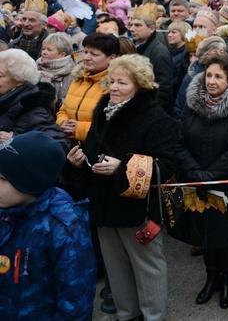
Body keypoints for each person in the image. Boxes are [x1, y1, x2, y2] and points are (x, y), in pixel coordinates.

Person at [65, 54, 177, 321]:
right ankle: (127, 315)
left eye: (122, 83)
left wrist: (123, 166)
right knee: (115, 268)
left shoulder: (155, 117)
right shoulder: (103, 111)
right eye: (112, 81)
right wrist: (78, 161)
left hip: (138, 208)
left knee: (147, 267)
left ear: (139, 86)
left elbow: (168, 164)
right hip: (104, 206)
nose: (113, 87)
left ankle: (153, 316)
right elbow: (93, 152)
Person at [171, 53, 228, 309]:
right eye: (208, 75)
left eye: (218, 76)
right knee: (203, 231)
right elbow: (180, 142)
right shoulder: (192, 103)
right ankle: (211, 278)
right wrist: (195, 173)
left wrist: (211, 176)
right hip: (196, 180)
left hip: (226, 182)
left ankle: (227, 281)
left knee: (226, 235)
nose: (212, 81)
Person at [0, 131, 97, 319]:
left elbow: (75, 302)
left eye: (3, 179)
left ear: (30, 182)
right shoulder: (6, 212)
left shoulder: (64, 230)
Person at [57, 32, 120, 143]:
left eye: (94, 54)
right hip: (69, 144)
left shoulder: (115, 85)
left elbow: (114, 124)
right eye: (85, 52)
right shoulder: (78, 78)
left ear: (111, 58)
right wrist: (63, 123)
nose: (86, 58)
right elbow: (63, 110)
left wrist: (79, 129)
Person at [0, 48, 67, 149]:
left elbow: (59, 146)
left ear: (20, 80)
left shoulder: (33, 111)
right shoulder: (5, 99)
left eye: (0, 75)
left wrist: (15, 140)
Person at [130, 4, 174, 115]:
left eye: (138, 25)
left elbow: (164, 89)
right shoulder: (136, 47)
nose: (132, 29)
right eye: (131, 25)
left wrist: (148, 112)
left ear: (151, 29)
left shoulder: (160, 53)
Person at [37, 32, 75, 107]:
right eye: (43, 49)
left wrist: (58, 101)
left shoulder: (72, 73)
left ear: (62, 54)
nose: (44, 52)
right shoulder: (35, 67)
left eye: (49, 50)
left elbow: (73, 101)